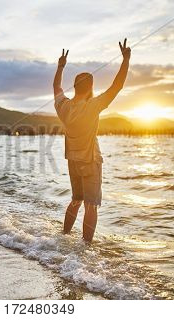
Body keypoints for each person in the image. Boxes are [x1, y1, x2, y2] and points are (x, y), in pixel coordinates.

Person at [52, 39, 131, 242]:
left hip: (73, 161)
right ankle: (86, 249)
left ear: (75, 87)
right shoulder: (93, 106)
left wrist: (60, 66)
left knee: (76, 200)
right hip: (90, 160)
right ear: (90, 87)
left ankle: (64, 236)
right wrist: (126, 60)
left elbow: (56, 87)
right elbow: (117, 86)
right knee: (91, 205)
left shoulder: (64, 107)